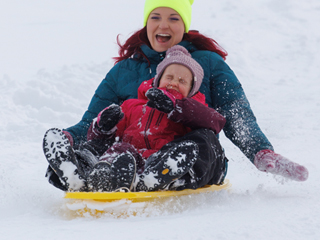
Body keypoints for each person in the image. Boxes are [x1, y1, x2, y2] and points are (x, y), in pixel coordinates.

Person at [43, 0, 308, 193]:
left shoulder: (208, 63)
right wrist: (69, 139)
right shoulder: (124, 70)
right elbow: (92, 120)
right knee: (103, 138)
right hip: (133, 156)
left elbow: (234, 111)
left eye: (174, 18)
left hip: (191, 158)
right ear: (147, 22)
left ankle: (170, 175)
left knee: (202, 138)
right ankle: (77, 171)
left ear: (185, 25)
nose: (163, 24)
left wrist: (260, 150)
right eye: (156, 16)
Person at [43, 45, 227, 192]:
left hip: (160, 162)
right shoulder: (134, 105)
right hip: (128, 162)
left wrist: (176, 108)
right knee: (107, 145)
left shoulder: (192, 109)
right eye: (169, 77)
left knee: (203, 141)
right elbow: (102, 137)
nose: (173, 83)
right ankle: (80, 171)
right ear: (157, 80)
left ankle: (157, 179)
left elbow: (215, 122)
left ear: (192, 90)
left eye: (182, 81)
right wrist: (102, 126)